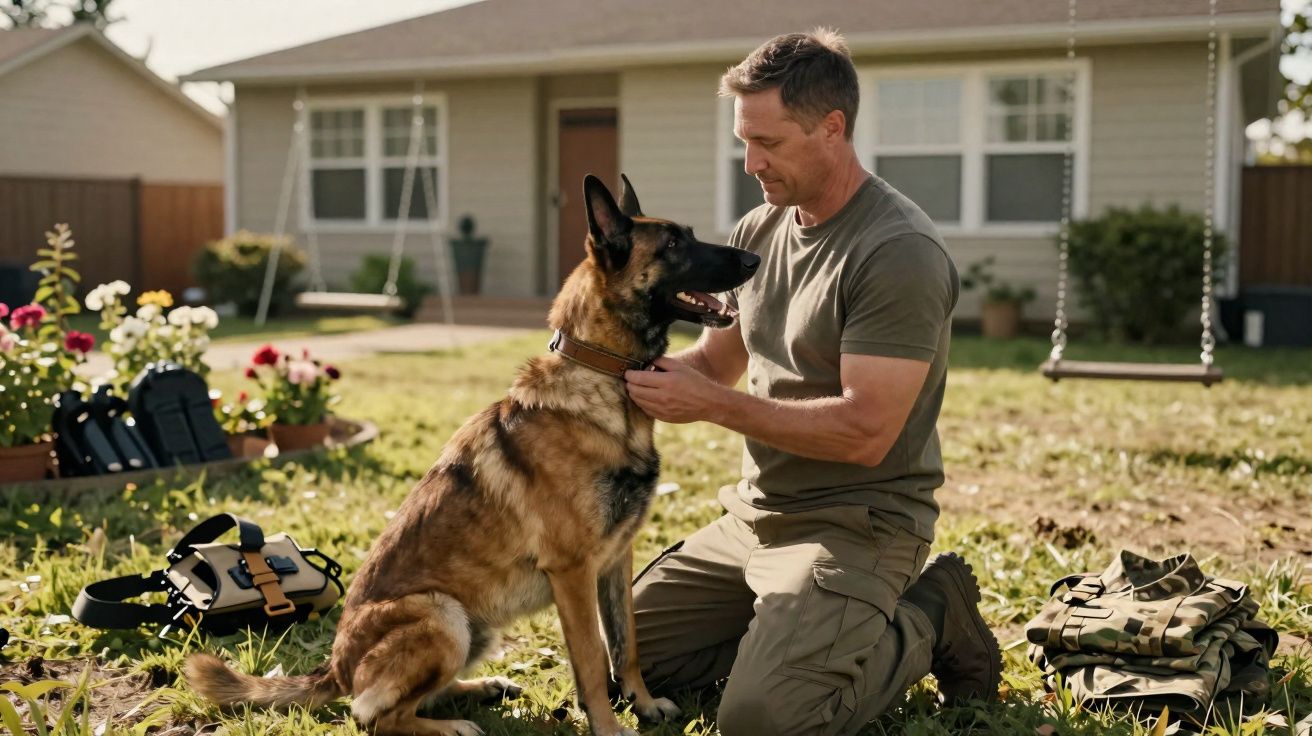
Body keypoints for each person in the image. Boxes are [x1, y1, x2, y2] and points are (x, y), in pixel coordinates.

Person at [622, 29, 1000, 736]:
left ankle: (931, 613)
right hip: (757, 518)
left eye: (768, 143)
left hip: (857, 522)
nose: (750, 162)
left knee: (765, 722)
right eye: (744, 141)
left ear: (833, 128)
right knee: (626, 659)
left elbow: (865, 432)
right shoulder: (761, 229)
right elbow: (713, 364)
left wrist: (711, 405)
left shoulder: (897, 252)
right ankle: (798, 637)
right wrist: (631, 374)